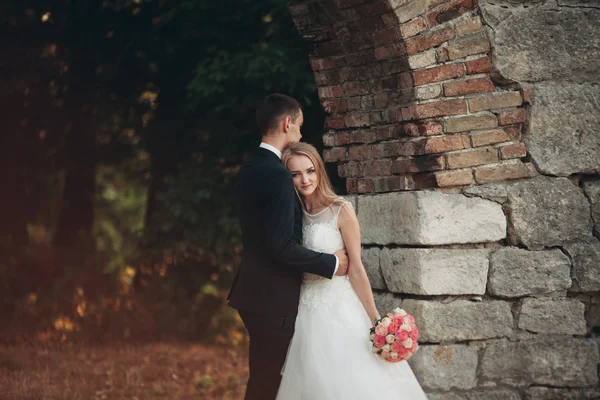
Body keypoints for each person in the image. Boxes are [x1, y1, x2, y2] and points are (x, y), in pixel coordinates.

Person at [276, 142, 428, 400]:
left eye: (310, 171)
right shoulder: (292, 215)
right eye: (295, 174)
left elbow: (356, 269)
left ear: (319, 171)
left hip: (339, 307)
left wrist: (376, 320)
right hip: (306, 310)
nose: (305, 179)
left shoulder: (340, 209)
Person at [227, 94, 349, 400]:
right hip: (273, 300)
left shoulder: (250, 168)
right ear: (286, 123)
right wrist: (331, 263)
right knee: (268, 386)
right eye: (300, 126)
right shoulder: (279, 176)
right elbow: (281, 246)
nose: (300, 134)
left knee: (265, 381)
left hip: (252, 293)